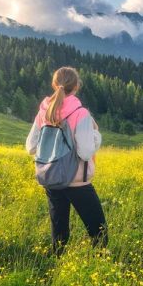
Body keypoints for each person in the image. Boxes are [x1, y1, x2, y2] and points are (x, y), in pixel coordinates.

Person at [25, 66, 108, 254]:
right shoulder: (81, 113)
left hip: (51, 176)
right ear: (76, 86)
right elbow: (86, 153)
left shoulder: (44, 112)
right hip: (77, 181)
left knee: (59, 232)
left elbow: (30, 146)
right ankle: (99, 265)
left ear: (55, 84)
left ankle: (56, 264)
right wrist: (96, 135)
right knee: (99, 231)